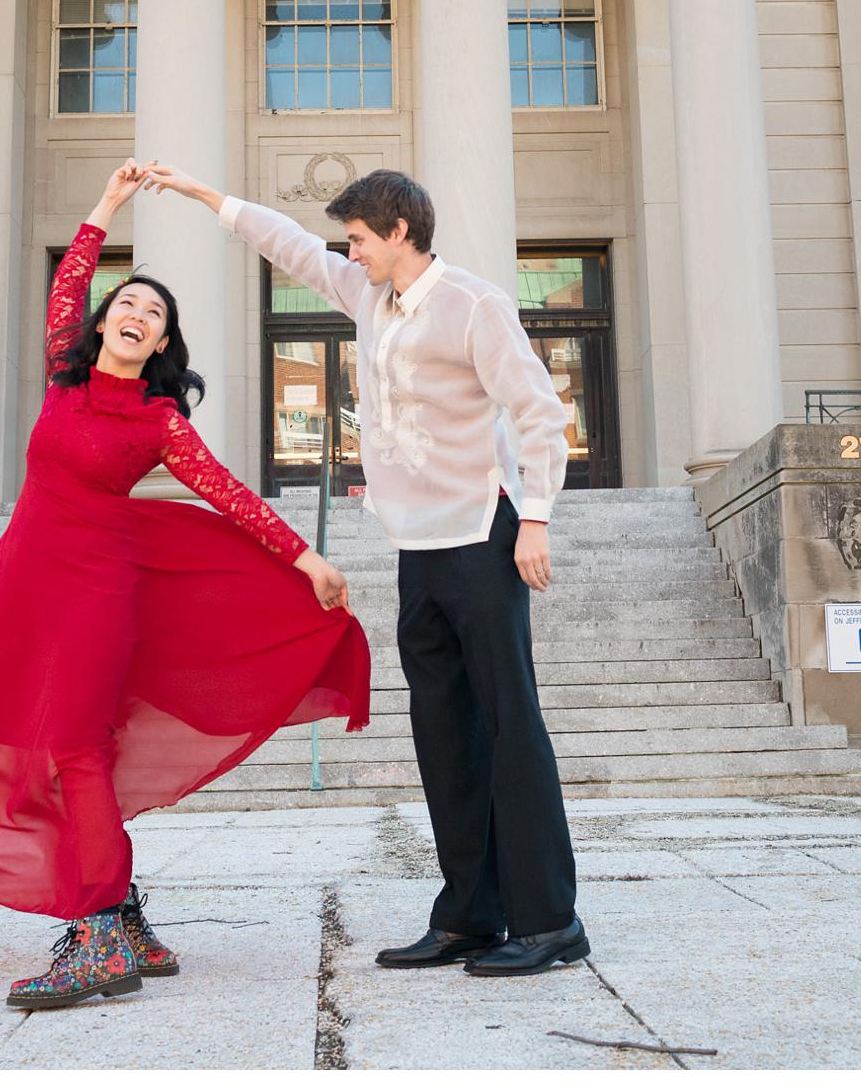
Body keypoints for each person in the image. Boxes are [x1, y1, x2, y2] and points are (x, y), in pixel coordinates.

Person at [0, 159, 371, 1010]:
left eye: (153, 313)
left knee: (75, 751)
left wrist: (304, 558)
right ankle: (121, 916)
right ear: (101, 327)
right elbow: (69, 283)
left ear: (163, 344)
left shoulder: (159, 421)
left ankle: (97, 931)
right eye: (125, 304)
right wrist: (107, 204)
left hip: (96, 596)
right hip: (20, 586)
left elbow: (225, 492)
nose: (135, 314)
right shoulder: (65, 372)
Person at [142, 161, 587, 976]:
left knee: (510, 724)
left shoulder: (474, 305)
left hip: (482, 539)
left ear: (399, 233)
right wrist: (207, 197)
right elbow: (286, 246)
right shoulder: (365, 296)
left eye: (357, 239)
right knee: (444, 735)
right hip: (416, 550)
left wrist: (536, 519)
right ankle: (469, 917)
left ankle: (551, 920)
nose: (347, 253)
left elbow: (538, 411)